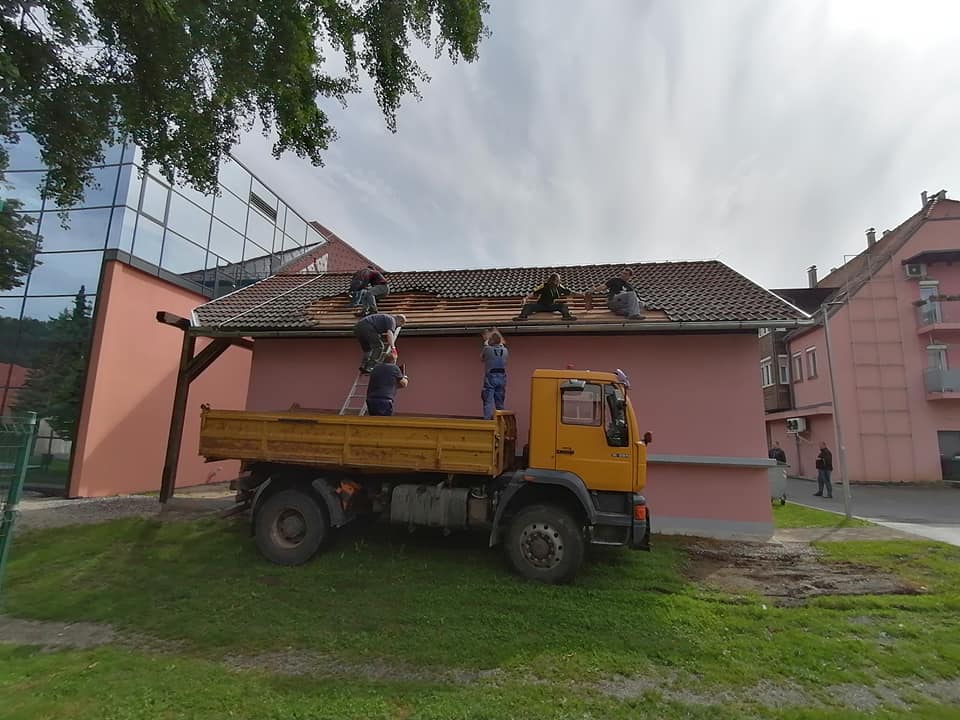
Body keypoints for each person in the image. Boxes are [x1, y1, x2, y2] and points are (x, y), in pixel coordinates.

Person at [480, 329, 509, 419]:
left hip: (491, 377)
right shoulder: (505, 350)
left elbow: (482, 358)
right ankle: (501, 420)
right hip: (502, 377)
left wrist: (486, 343)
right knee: (500, 401)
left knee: (488, 400)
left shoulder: (487, 349)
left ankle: (487, 420)